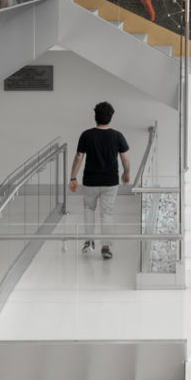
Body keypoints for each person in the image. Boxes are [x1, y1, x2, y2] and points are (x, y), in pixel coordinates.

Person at [70, 100, 130, 260]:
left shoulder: (86, 135)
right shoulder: (117, 136)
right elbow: (125, 158)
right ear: (111, 118)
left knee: (89, 209)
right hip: (110, 181)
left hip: (90, 180)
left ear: (95, 116)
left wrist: (73, 177)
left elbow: (78, 157)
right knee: (107, 213)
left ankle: (89, 241)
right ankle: (105, 247)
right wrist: (126, 173)